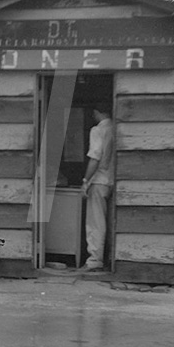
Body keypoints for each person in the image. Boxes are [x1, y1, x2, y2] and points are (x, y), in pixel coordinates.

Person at [79, 104, 114, 272]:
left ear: (96, 111)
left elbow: (95, 157)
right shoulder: (116, 128)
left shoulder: (98, 130)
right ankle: (108, 257)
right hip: (113, 180)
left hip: (99, 180)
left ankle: (95, 259)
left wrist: (86, 180)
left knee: (95, 222)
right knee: (110, 221)